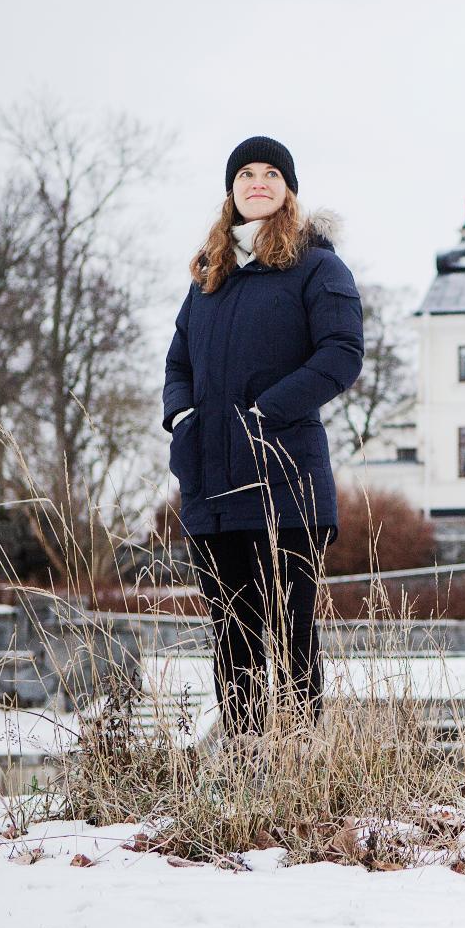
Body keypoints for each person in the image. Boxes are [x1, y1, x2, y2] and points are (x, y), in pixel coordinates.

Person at [162, 135, 364, 738]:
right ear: (231, 190)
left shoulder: (317, 266)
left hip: (285, 480)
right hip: (210, 489)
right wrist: (183, 419)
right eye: (245, 173)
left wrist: (264, 414)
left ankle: (297, 768)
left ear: (288, 189)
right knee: (231, 637)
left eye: (271, 173)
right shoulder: (210, 277)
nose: (257, 182)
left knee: (290, 633)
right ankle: (247, 764)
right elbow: (178, 364)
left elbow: (342, 354)